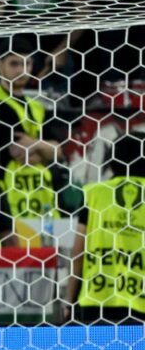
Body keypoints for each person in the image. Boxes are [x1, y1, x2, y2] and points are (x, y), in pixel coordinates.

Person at [0, 40, 60, 226]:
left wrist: (35, 144)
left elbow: (58, 151)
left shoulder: (37, 106)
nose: (22, 70)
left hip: (39, 199)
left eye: (27, 64)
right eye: (15, 64)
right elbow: (19, 152)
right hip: (6, 201)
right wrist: (43, 148)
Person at [67, 133, 145, 324]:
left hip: (98, 295)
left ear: (111, 160)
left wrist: (68, 300)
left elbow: (78, 252)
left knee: (99, 345)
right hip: (140, 297)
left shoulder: (94, 193)